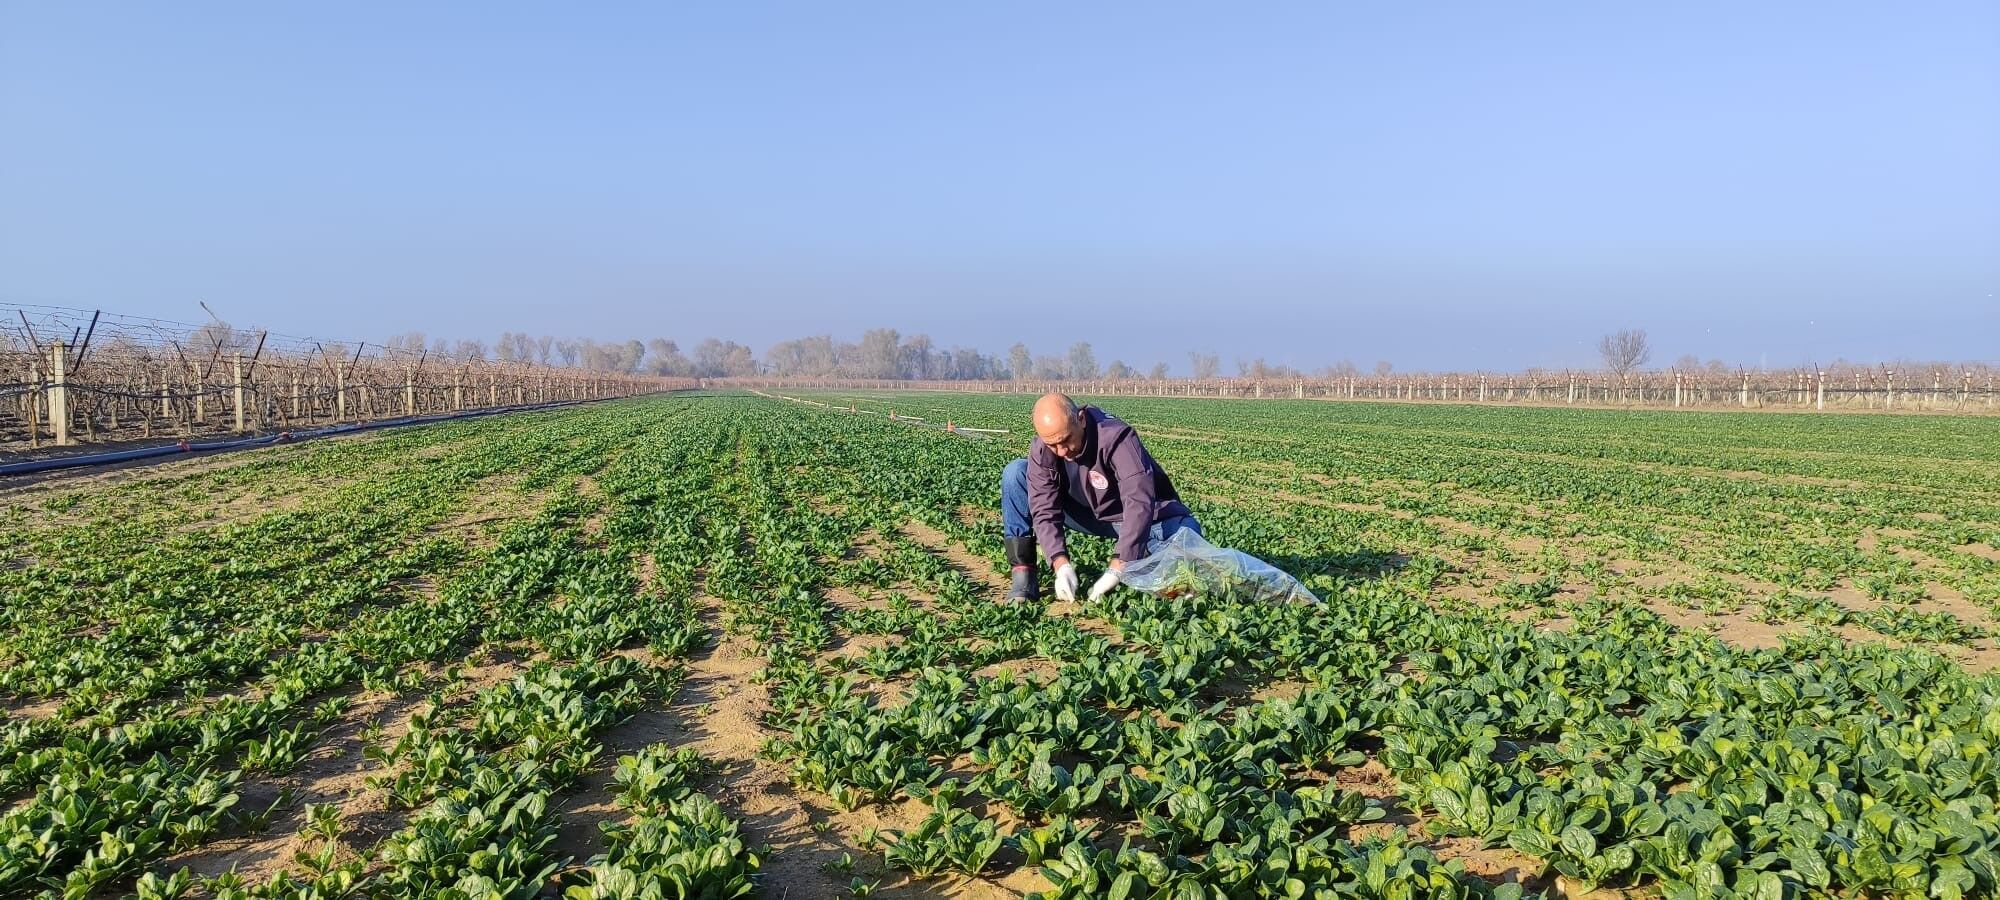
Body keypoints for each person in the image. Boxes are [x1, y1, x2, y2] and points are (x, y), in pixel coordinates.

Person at [1000, 393, 1200, 603]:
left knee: (1187, 533)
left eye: (1066, 440)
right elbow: (1043, 508)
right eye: (1053, 445)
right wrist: (1061, 564)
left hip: (1130, 516)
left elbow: (1138, 502)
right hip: (1081, 513)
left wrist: (1118, 566)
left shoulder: (1117, 438)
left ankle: (1153, 571)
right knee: (1016, 473)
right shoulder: (1044, 447)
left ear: (1081, 419)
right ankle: (1023, 575)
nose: (1061, 451)